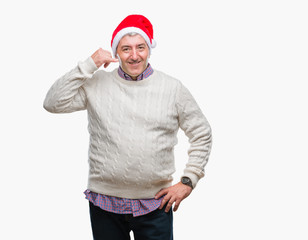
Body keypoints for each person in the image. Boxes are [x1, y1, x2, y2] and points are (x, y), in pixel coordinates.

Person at [43, 14, 212, 240]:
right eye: (126, 49)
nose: (134, 56)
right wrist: (89, 64)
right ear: (116, 53)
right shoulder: (97, 84)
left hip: (155, 205)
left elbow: (202, 133)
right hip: (104, 204)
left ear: (149, 49)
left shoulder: (172, 88)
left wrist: (188, 181)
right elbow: (52, 103)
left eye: (140, 47)